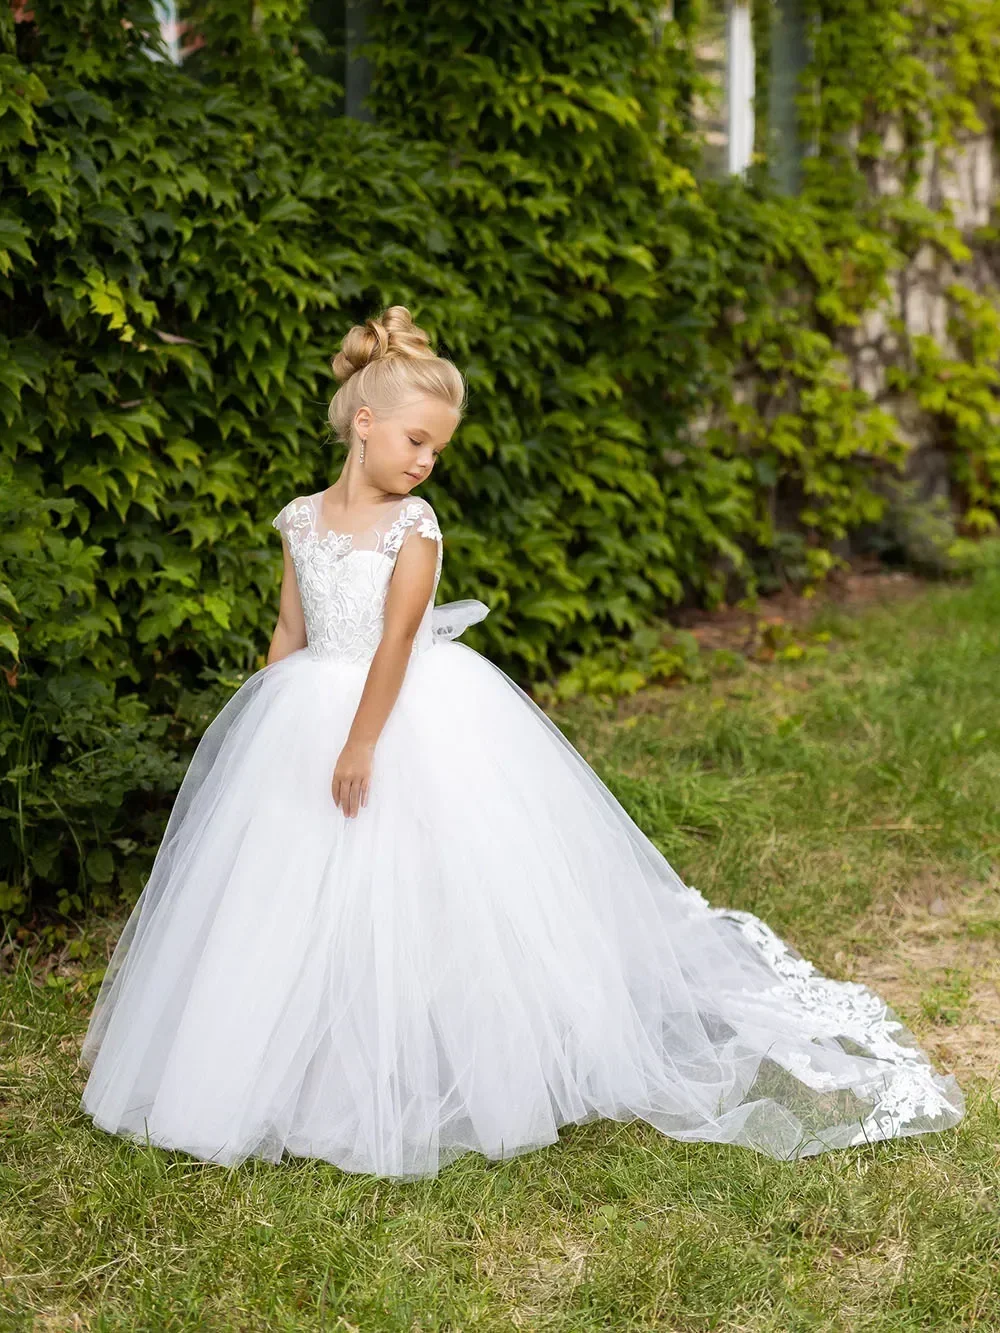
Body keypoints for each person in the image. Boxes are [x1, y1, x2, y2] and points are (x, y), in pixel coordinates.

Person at [78, 306, 965, 1179]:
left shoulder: (414, 529)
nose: (426, 462)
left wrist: (360, 742)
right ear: (364, 422)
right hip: (306, 707)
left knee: (416, 886)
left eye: (438, 450)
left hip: (397, 714)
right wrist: (266, 713)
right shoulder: (301, 519)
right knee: (283, 889)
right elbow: (288, 628)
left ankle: (436, 1053)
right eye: (417, 441)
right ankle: (273, 1058)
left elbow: (395, 641)